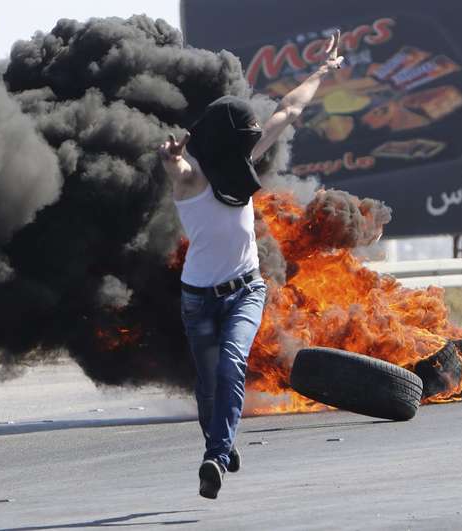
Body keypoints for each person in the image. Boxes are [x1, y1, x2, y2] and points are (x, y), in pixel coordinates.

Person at [159, 31, 345, 499]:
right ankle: (220, 439)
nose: (253, 142)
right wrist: (170, 159)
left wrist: (322, 71)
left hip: (245, 290)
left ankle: (216, 457)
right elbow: (178, 171)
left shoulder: (242, 163)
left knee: (230, 365)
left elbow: (289, 110)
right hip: (198, 300)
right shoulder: (192, 179)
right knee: (207, 386)